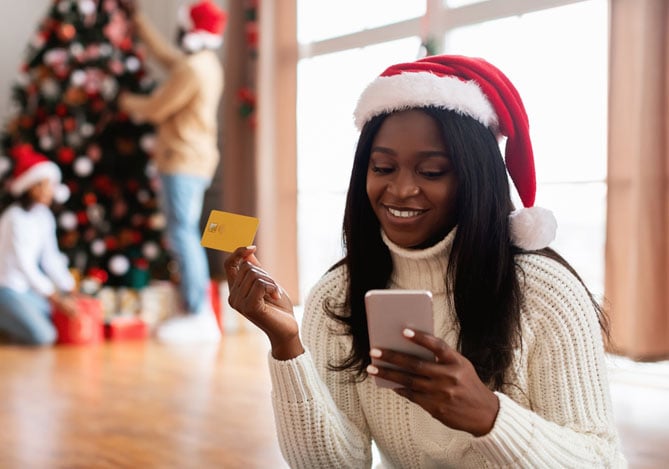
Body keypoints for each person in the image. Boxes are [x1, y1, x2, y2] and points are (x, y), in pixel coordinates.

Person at [224, 55, 628, 467]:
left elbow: (601, 459)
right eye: (382, 167)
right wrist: (287, 346)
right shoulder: (338, 295)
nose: (400, 189)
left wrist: (489, 417)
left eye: (431, 172)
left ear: (474, 177)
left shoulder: (546, 292)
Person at [118, 0, 227, 343]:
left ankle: (198, 313)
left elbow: (156, 107)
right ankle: (196, 310)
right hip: (194, 159)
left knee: (183, 235)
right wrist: (140, 22)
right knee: (186, 233)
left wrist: (123, 102)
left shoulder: (193, 70)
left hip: (182, 160)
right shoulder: (204, 64)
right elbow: (167, 57)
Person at [0, 144, 77, 345]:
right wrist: (55, 297)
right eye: (44, 184)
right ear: (30, 187)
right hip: (7, 288)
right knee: (44, 336)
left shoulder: (44, 216)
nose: (51, 190)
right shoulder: (14, 217)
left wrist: (68, 286)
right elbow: (26, 266)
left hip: (27, 290)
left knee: (55, 318)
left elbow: (51, 257)